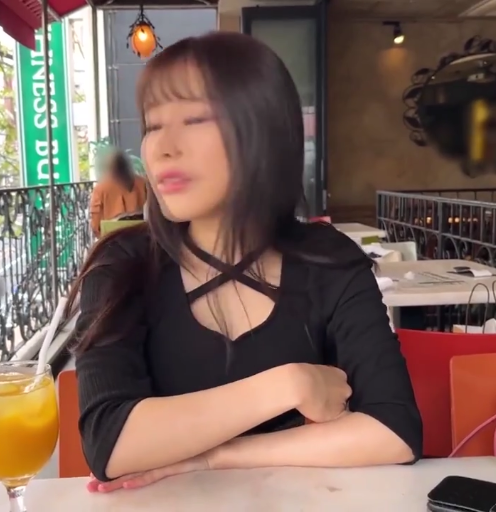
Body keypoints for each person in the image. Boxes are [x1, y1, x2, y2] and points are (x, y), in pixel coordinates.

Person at [66, 32, 422, 493]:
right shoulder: (123, 264)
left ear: (263, 132)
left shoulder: (328, 258)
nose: (163, 148)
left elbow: (393, 431)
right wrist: (288, 384)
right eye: (153, 125)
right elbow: (110, 444)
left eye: (194, 119)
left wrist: (214, 457)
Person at [89, 150, 148, 237]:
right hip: (139, 230)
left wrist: (99, 234)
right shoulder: (142, 182)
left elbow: (95, 219)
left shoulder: (101, 187)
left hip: (113, 233)